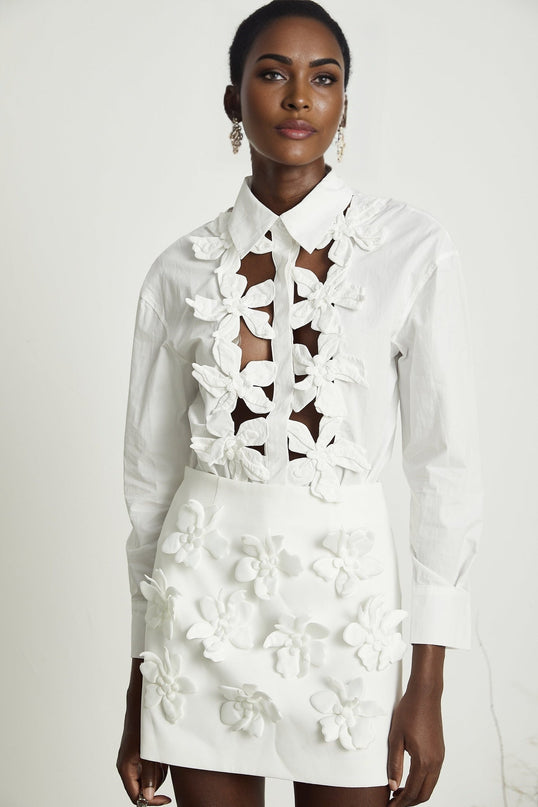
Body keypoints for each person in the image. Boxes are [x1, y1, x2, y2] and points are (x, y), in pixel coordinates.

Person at [116, 2, 483, 806]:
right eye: (273, 73)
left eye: (324, 78)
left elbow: (445, 472)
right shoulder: (177, 272)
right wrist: (141, 678)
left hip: (346, 615)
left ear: (344, 105)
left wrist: (427, 682)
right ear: (232, 99)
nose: (298, 98)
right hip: (198, 610)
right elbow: (149, 490)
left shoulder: (411, 252)